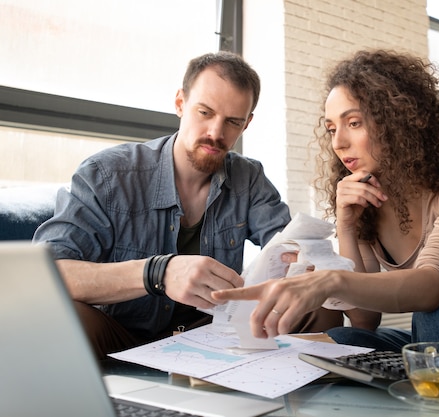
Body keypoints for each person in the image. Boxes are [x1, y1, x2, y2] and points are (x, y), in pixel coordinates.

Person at [212, 49, 439, 392]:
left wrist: (330, 281)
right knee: (341, 341)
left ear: (397, 120)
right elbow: (365, 320)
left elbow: (432, 288)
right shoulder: (369, 195)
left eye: (353, 122)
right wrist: (347, 224)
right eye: (332, 128)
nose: (339, 142)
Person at [33, 51, 343, 360]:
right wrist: (159, 272)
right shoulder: (108, 174)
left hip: (210, 335)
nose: (215, 133)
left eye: (232, 122)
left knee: (321, 309)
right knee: (54, 315)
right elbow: (46, 275)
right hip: (120, 334)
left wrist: (301, 263)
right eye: (205, 113)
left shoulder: (249, 178)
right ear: (180, 103)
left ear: (246, 124)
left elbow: (287, 245)